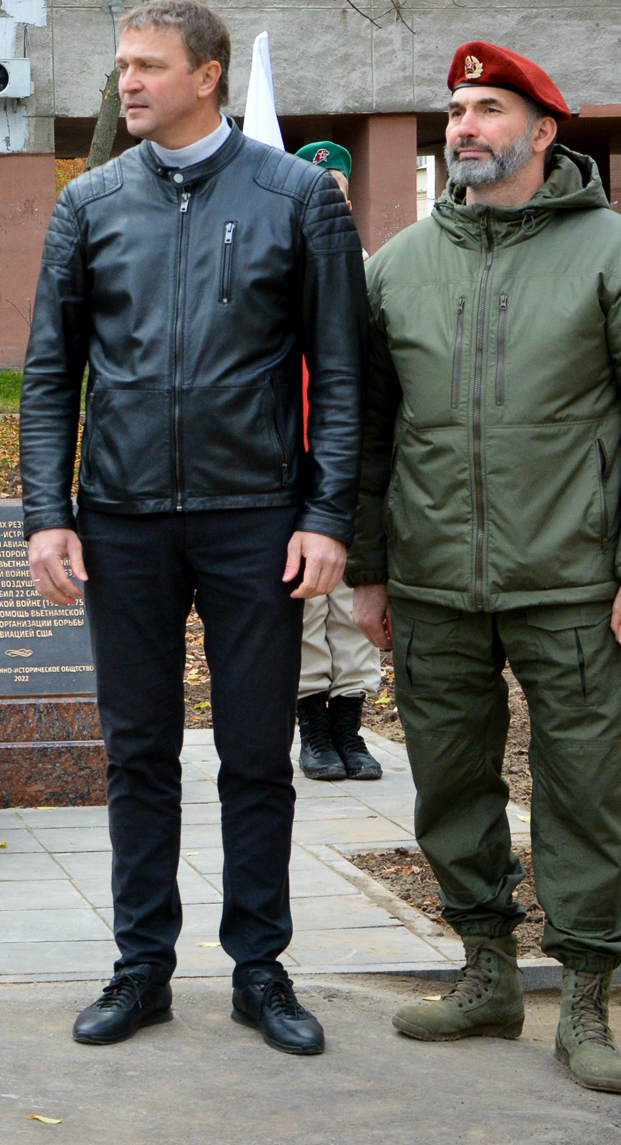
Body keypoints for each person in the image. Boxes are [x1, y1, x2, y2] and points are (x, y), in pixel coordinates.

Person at [346, 42, 621, 1093]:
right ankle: (486, 975)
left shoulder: (618, 257)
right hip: (430, 588)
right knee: (449, 786)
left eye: (487, 108)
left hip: (576, 587)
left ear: (543, 132)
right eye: (455, 109)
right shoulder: (400, 265)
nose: (462, 126)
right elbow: (369, 430)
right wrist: (369, 568)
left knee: (582, 794)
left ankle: (587, 998)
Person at [22, 0, 366, 1059]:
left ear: (207, 75)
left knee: (257, 756)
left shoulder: (299, 199)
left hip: (253, 521)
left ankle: (260, 971)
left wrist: (327, 516)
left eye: (148, 65)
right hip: (121, 523)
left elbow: (345, 377)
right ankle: (141, 970)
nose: (126, 82)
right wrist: (47, 513)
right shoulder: (89, 203)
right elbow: (49, 375)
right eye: (120, 63)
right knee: (137, 754)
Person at [286, 141, 382, 784]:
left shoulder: (374, 267)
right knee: (304, 601)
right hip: (289, 452)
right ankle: (313, 731)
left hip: (353, 455)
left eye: (342, 191)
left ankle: (349, 726)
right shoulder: (278, 260)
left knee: (353, 595)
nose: (334, 200)